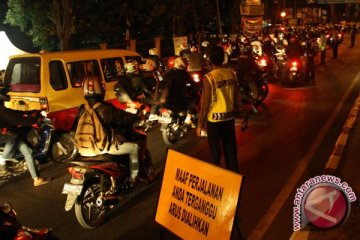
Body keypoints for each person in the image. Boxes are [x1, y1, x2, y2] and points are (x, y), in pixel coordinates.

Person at [74, 62, 143, 184]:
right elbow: (124, 119)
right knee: (135, 148)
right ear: (101, 89)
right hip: (102, 147)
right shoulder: (106, 108)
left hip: (83, 149)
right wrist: (137, 115)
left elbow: (74, 128)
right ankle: (134, 178)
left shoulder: (82, 108)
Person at [196, 46, 240, 173]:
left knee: (215, 152)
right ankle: (234, 177)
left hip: (214, 121)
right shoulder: (231, 73)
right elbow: (237, 96)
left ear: (210, 60)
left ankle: (217, 178)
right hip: (229, 118)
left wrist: (200, 124)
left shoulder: (209, 78)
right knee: (230, 150)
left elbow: (205, 105)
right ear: (223, 58)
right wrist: (242, 112)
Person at [0, 84, 50, 186]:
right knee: (13, 136)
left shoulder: (3, 109)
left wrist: (29, 112)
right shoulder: (1, 110)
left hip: (11, 134)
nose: (6, 98)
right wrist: (35, 119)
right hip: (4, 136)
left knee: (28, 152)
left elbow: (13, 113)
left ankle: (37, 179)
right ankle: (3, 159)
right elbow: (18, 120)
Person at [158, 57, 198, 126]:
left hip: (167, 99)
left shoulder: (168, 73)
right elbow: (192, 83)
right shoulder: (184, 74)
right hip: (179, 99)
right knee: (193, 99)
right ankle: (188, 118)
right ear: (184, 65)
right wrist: (196, 85)